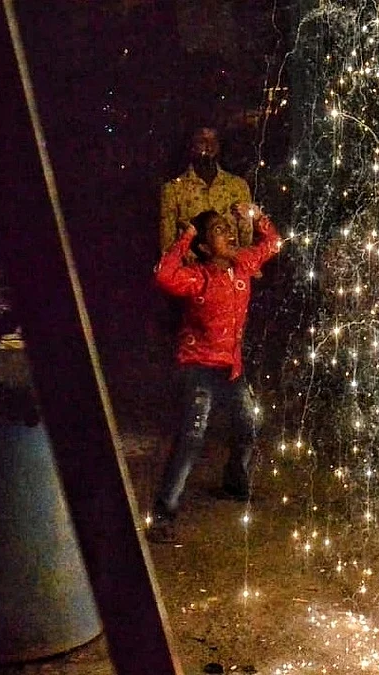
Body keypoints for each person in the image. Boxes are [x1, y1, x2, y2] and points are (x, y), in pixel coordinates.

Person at [147, 205, 281, 543]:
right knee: (193, 434)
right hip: (198, 367)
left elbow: (274, 242)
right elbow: (163, 274)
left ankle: (235, 485)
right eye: (220, 231)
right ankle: (164, 512)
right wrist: (187, 235)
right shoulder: (198, 277)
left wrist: (254, 216)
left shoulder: (243, 265)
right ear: (205, 248)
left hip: (230, 367)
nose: (229, 232)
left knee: (249, 423)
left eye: (228, 227)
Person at [159, 126, 253, 253]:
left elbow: (246, 240)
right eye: (202, 141)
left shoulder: (238, 186)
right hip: (191, 270)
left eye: (214, 140)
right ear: (191, 145)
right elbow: (167, 245)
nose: (209, 147)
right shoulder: (173, 190)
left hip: (230, 269)